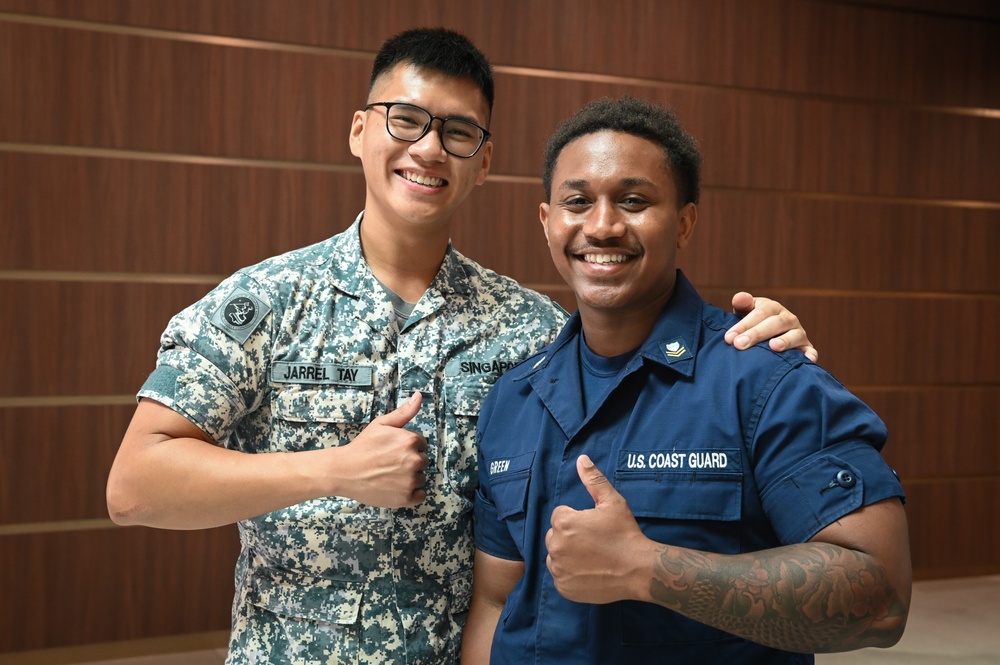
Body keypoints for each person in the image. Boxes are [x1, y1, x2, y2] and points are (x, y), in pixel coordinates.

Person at [106, 30, 817, 665]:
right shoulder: (267, 303)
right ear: (359, 130)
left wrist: (763, 336)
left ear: (484, 162)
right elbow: (136, 485)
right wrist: (335, 469)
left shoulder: (531, 328)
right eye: (405, 119)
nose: (427, 148)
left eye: (457, 132)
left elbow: (657, 371)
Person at [463, 96, 911, 665]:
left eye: (633, 200)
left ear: (684, 222)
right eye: (578, 201)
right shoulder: (514, 398)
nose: (601, 226)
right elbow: (497, 600)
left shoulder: (765, 379)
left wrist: (646, 569)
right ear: (548, 221)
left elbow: (880, 596)